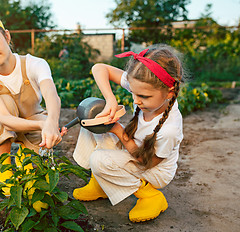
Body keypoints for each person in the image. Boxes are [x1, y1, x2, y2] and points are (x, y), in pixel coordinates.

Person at [66, 45, 184, 222]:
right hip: (133, 149)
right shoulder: (145, 88)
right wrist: (110, 99)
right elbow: (99, 68)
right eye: (134, 92)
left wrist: (118, 131)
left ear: (170, 92)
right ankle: (99, 184)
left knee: (100, 159)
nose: (136, 100)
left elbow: (147, 162)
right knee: (91, 118)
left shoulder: (169, 129)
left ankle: (150, 195)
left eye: (143, 97)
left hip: (154, 169)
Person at [0, 8, 62, 189]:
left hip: (30, 118)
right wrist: (43, 125)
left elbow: (51, 94)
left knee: (37, 184)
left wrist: (52, 122)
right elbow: (5, 119)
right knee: (6, 102)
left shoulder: (35, 64)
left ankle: (28, 164)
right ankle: (5, 166)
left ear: (6, 37)